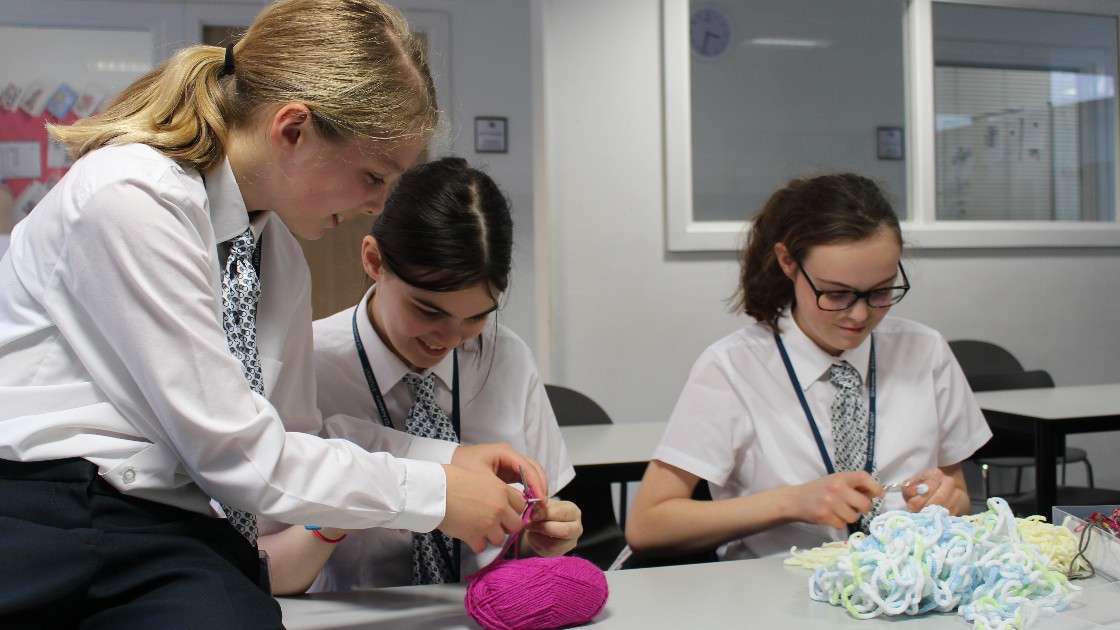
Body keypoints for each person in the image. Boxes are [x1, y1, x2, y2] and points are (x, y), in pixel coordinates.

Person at [0, 1, 546, 627]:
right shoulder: (132, 198)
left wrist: (442, 459)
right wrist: (433, 493)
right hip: (39, 505)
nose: (376, 205)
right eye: (372, 175)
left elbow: (289, 434)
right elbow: (240, 458)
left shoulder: (275, 253)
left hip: (155, 523)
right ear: (293, 129)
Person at [625, 173, 991, 562]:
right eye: (835, 294)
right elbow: (649, 525)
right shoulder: (733, 368)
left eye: (882, 291)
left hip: (907, 586)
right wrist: (793, 502)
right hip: (779, 591)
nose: (860, 314)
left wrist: (949, 500)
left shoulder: (925, 351)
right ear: (787, 262)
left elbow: (955, 489)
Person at [258, 156, 582, 594]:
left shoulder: (504, 357)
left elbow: (520, 537)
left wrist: (536, 539)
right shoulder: (306, 365)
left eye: (477, 317)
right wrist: (350, 505)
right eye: (427, 310)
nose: (449, 338)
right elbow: (264, 567)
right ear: (374, 261)